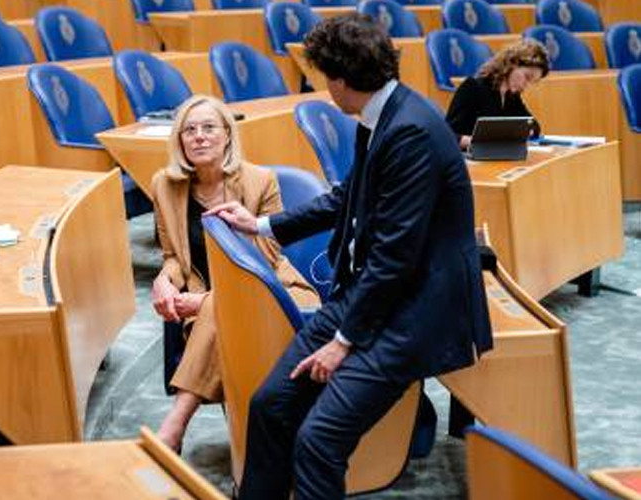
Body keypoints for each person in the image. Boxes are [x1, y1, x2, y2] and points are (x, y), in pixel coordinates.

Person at [207, 14, 493, 499]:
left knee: (318, 441)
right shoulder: (378, 115)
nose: (325, 90)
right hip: (369, 296)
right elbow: (346, 199)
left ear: (339, 80)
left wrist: (343, 340)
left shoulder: (412, 133)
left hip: (412, 311)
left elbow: (394, 259)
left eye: (324, 80)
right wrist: (259, 224)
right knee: (271, 404)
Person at [150, 95, 320, 452]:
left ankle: (173, 426)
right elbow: (172, 257)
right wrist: (163, 281)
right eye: (189, 130)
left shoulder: (261, 181)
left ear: (227, 135)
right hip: (207, 303)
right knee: (219, 310)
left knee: (219, 308)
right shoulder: (164, 185)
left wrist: (205, 302)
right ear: (179, 140)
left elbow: (266, 257)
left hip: (273, 291)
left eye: (209, 127)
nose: (199, 136)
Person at [446, 39, 550, 151]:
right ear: (513, 63)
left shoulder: (511, 96)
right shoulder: (473, 87)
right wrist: (476, 141)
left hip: (493, 157)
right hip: (469, 159)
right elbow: (447, 136)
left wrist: (526, 131)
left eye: (531, 82)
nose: (526, 85)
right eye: (527, 77)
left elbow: (533, 126)